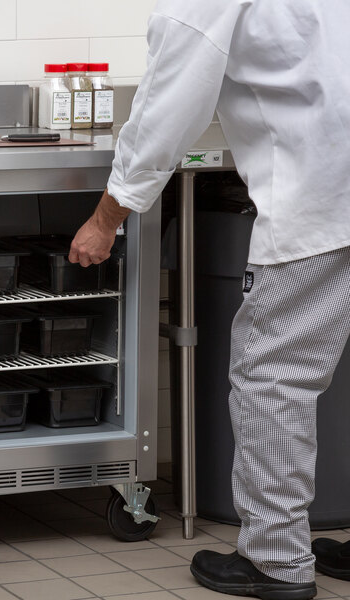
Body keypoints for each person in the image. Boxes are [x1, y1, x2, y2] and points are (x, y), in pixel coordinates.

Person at [69, 1, 350, 599]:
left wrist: (107, 215)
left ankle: (276, 562)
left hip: (324, 208)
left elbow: (165, 110)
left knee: (274, 381)